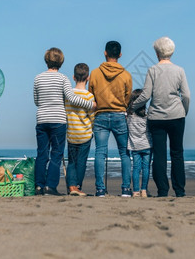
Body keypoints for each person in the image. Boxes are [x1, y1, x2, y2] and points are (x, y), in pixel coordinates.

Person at [131, 37, 190, 197]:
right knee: (177, 153)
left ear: (157, 53)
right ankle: (179, 190)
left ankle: (162, 190)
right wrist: (184, 111)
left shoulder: (152, 70)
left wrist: (131, 107)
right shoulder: (179, 70)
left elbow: (145, 96)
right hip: (177, 116)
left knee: (159, 155)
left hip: (156, 117)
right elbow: (186, 95)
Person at [33, 48, 95, 196]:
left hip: (41, 119)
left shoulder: (38, 78)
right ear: (61, 61)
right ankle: (50, 186)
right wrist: (90, 105)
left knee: (42, 153)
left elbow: (36, 101)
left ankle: (38, 186)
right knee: (56, 153)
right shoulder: (63, 78)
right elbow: (72, 98)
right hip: (58, 121)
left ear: (46, 60)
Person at [88, 41, 133, 197]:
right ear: (120, 54)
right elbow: (128, 98)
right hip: (119, 115)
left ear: (105, 53)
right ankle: (126, 189)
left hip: (100, 114)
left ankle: (100, 189)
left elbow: (91, 96)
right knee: (124, 153)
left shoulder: (94, 73)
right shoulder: (126, 75)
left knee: (100, 152)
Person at [65, 63, 95, 196]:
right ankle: (77, 186)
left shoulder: (68, 95)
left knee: (71, 162)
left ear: (73, 77)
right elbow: (92, 117)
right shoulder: (89, 96)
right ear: (87, 78)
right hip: (85, 134)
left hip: (71, 133)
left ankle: (71, 187)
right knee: (81, 162)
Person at [127, 89, 152, 198]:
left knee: (136, 168)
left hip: (135, 146)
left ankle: (136, 191)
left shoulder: (129, 117)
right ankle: (144, 190)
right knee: (146, 168)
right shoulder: (146, 117)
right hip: (147, 146)